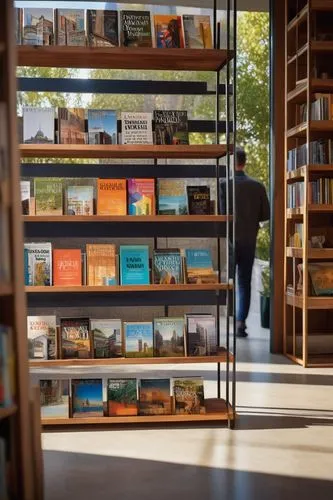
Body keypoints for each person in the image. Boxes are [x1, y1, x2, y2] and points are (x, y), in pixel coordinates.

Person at [220, 148, 270, 338]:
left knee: (227, 282)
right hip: (249, 240)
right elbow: (266, 215)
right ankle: (241, 323)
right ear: (245, 162)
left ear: (232, 163)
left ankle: (227, 321)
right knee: (244, 282)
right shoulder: (257, 186)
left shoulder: (224, 184)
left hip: (229, 240)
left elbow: (221, 212)